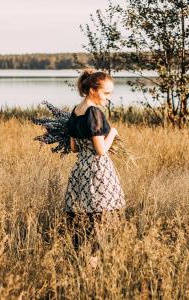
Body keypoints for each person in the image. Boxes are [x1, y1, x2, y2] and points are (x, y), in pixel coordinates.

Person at [64, 69, 125, 265]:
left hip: (80, 169)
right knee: (99, 218)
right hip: (98, 171)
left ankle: (81, 259)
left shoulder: (75, 111)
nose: (109, 97)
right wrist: (113, 133)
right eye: (106, 93)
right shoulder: (94, 112)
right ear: (92, 90)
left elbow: (73, 148)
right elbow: (101, 150)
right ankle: (93, 262)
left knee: (83, 216)